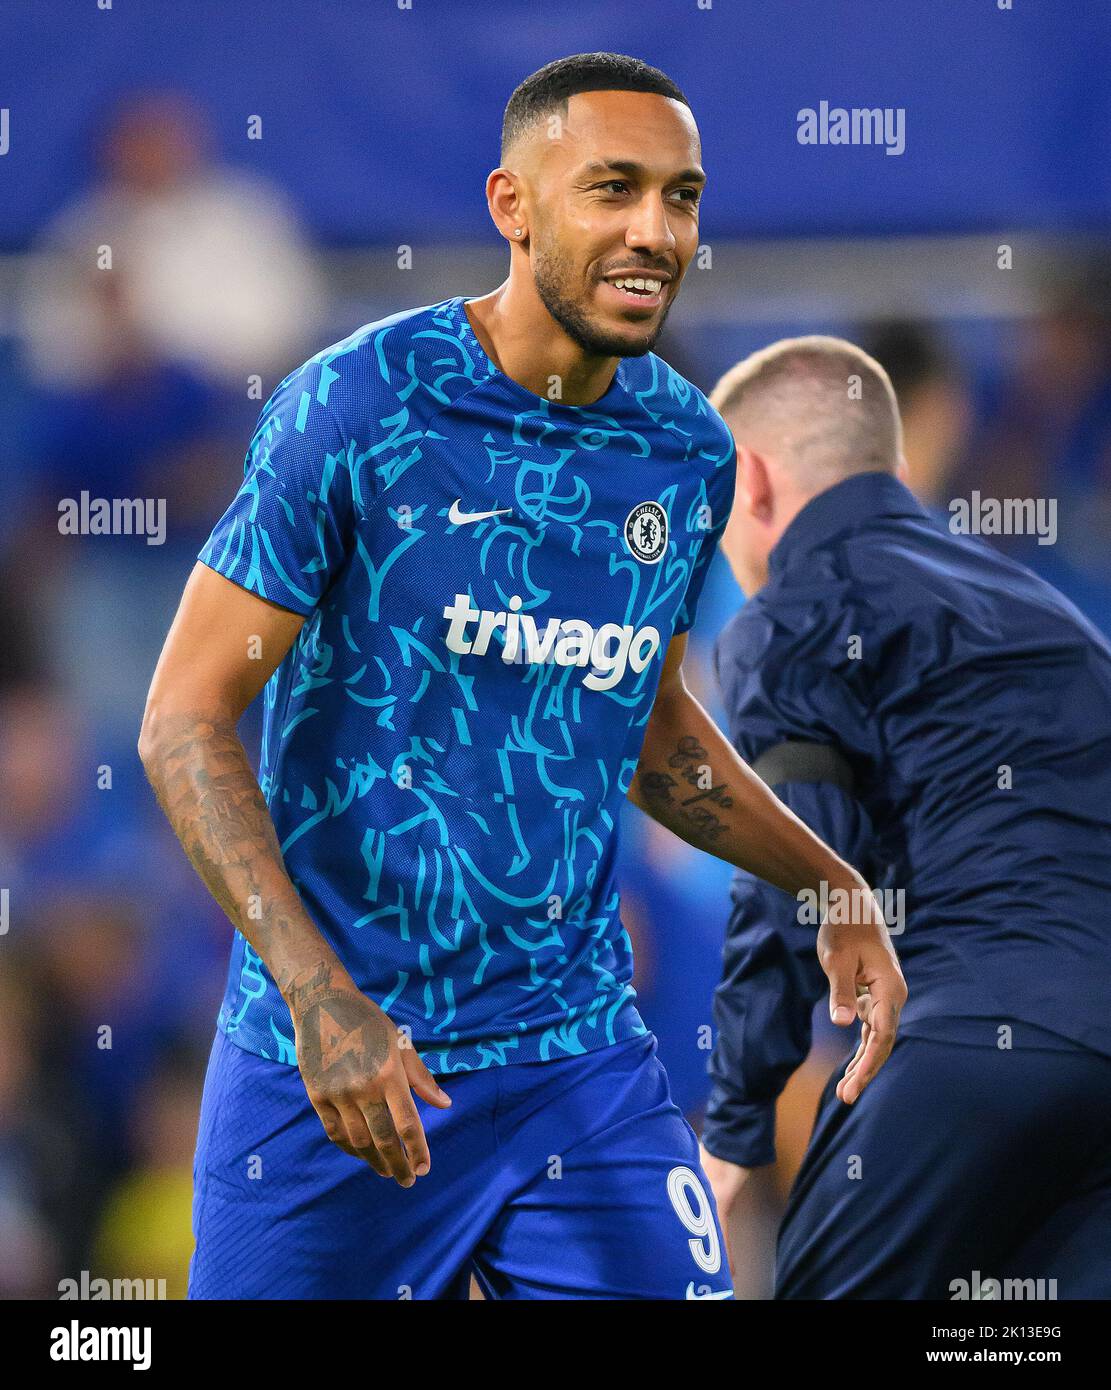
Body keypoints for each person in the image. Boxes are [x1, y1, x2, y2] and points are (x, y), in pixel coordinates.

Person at [139, 55, 903, 1301]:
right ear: (513, 203)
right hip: (333, 1071)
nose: (655, 230)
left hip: (574, 1062)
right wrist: (319, 997)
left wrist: (828, 882)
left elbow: (642, 729)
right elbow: (181, 720)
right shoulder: (357, 408)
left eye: (681, 196)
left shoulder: (685, 452)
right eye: (613, 189)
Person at [699, 335, 1111, 1299]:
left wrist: (735, 1118)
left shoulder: (797, 606)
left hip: (974, 1040)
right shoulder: (1051, 611)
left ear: (751, 480)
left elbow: (800, 873)